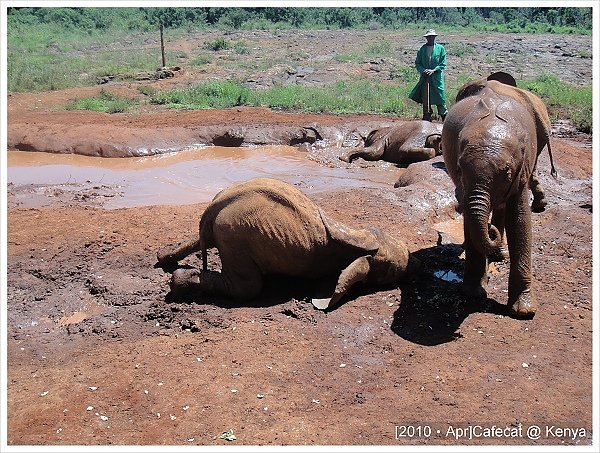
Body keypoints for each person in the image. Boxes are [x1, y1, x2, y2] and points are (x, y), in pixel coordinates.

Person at [409, 29, 448, 122]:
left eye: (432, 37)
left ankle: (444, 116)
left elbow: (443, 63)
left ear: (435, 37)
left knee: (440, 96)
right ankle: (427, 115)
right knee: (426, 95)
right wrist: (423, 70)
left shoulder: (440, 48)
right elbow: (418, 63)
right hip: (425, 77)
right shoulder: (422, 49)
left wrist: (434, 70)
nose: (430, 38)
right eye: (428, 37)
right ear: (426, 38)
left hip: (436, 77)